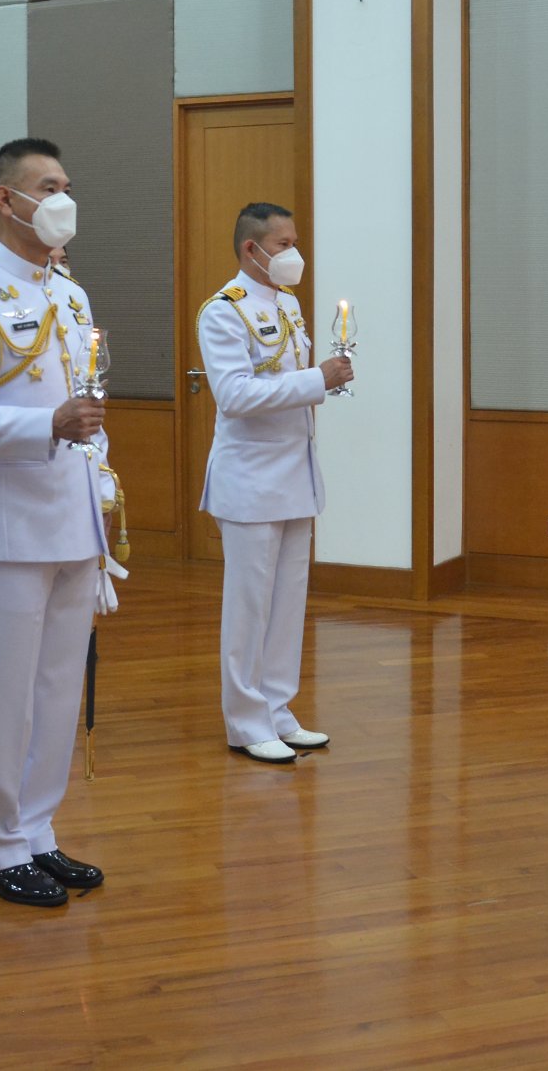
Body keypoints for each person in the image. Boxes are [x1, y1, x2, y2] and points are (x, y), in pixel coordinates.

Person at [0, 137, 121, 910]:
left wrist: (99, 478)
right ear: (8, 200)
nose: (63, 198)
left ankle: (35, 828)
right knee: (5, 694)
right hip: (8, 530)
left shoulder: (70, 294)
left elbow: (86, 403)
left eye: (67, 184)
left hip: (72, 520)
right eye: (48, 185)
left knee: (59, 687)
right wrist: (46, 426)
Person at [196, 203, 353, 764]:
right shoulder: (223, 311)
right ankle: (245, 721)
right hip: (251, 481)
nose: (294, 253)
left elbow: (287, 384)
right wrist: (316, 379)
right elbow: (235, 395)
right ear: (252, 249)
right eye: (284, 244)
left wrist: (321, 380)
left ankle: (278, 711)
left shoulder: (286, 303)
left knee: (288, 605)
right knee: (249, 609)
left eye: (294, 241)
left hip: (295, 474)